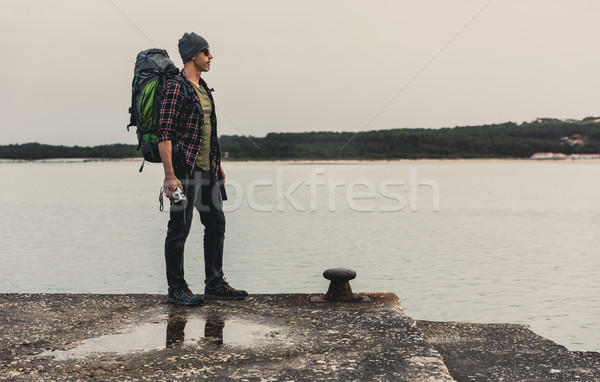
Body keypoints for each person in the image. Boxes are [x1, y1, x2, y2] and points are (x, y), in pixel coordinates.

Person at [157, 32, 247, 305]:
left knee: (216, 223)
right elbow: (164, 133)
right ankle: (177, 288)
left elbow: (209, 130)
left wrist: (217, 165)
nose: (211, 57)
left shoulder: (204, 88)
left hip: (208, 169)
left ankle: (214, 283)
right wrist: (170, 176)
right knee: (179, 228)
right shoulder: (176, 87)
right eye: (207, 52)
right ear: (193, 55)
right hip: (185, 169)